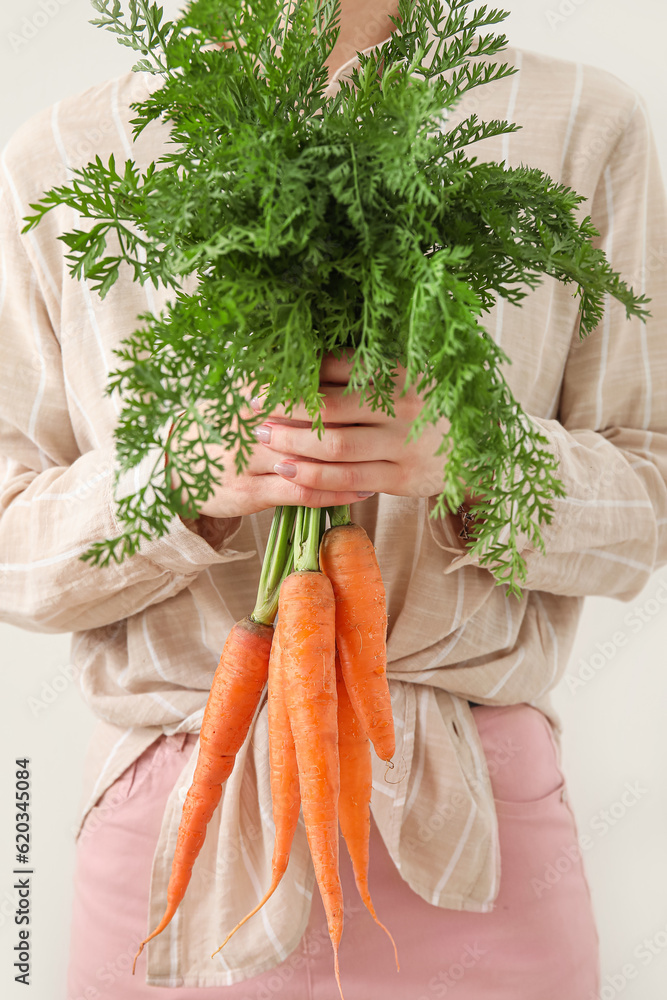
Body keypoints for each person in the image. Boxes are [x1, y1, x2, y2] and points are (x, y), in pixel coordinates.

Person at [1, 2, 665, 998]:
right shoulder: (58, 155)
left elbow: (643, 511)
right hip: (184, 808)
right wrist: (176, 476)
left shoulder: (579, 121)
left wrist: (476, 450)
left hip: (470, 816)